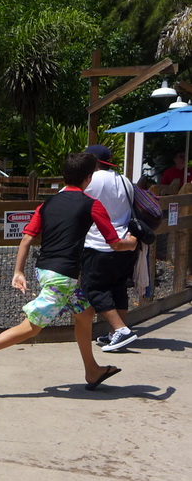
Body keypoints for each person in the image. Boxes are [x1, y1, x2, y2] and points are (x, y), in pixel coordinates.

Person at [0, 152, 138, 391]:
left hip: (45, 270)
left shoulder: (47, 204)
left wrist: (18, 271)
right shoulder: (92, 204)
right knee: (33, 326)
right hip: (62, 277)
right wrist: (132, 242)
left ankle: (92, 370)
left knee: (85, 313)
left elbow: (26, 238)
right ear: (89, 178)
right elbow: (114, 243)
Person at [82, 145, 139, 352]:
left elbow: (68, 196)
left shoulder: (92, 180)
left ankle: (121, 330)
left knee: (93, 288)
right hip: (126, 242)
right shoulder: (124, 180)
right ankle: (116, 334)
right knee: (118, 287)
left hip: (99, 243)